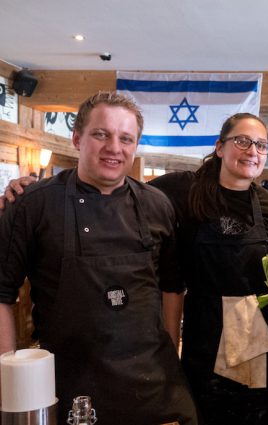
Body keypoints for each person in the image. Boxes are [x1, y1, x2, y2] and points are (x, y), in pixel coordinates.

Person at [0, 91, 197, 424]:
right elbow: (1, 294)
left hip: (152, 385)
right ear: (77, 138)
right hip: (67, 383)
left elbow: (171, 286)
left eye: (125, 138)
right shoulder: (32, 205)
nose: (114, 148)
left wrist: (169, 357)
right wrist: (9, 379)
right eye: (101, 134)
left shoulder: (158, 205)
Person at [149, 113, 268, 424]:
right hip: (205, 326)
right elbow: (125, 191)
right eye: (242, 141)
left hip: (251, 329)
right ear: (219, 147)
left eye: (261, 145)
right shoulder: (183, 190)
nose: (252, 150)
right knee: (204, 415)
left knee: (250, 417)